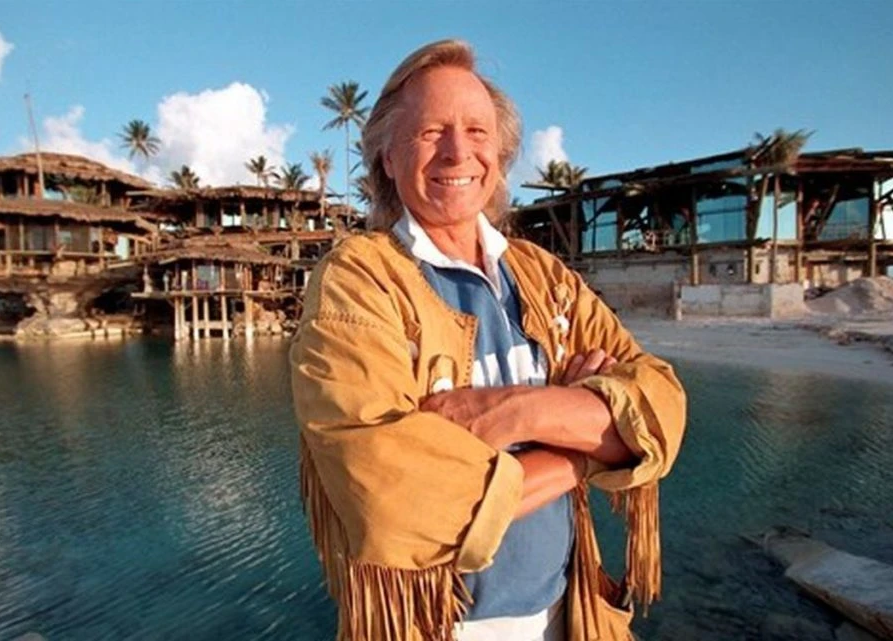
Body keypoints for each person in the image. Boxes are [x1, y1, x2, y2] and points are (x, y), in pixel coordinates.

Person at [290, 40, 686, 641]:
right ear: (388, 158)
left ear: (498, 154)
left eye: (477, 130)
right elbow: (394, 495)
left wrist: (516, 411)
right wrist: (584, 447)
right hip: (435, 627)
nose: (458, 151)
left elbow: (662, 408)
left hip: (570, 612)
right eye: (430, 132)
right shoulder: (359, 280)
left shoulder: (542, 276)